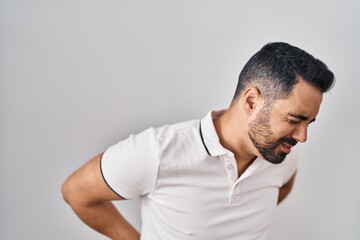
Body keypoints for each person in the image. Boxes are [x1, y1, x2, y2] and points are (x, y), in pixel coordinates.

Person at [62, 42, 335, 240]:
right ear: (252, 101)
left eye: (308, 123)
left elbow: (281, 187)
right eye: (294, 119)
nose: (302, 136)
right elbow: (77, 192)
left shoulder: (283, 154)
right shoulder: (160, 151)